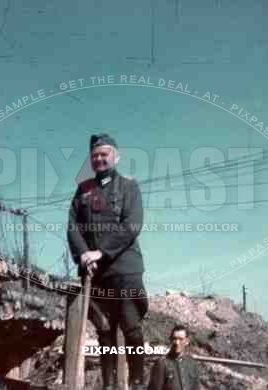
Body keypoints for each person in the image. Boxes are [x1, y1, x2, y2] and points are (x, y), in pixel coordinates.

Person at [67, 133, 148, 390]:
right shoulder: (85, 190)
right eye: (95, 156)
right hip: (95, 273)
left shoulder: (128, 186)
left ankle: (136, 383)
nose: (99, 159)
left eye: (104, 154)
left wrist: (100, 252)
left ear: (116, 156)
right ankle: (109, 385)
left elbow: (132, 225)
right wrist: (82, 254)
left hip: (124, 270)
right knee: (104, 333)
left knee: (131, 328)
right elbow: (73, 227)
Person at [148, 325, 199, 390]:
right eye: (174, 339)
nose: (177, 342)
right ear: (170, 339)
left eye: (181, 339)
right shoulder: (162, 363)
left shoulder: (192, 363)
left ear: (187, 341)